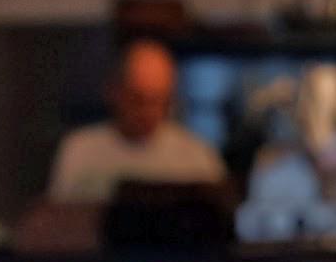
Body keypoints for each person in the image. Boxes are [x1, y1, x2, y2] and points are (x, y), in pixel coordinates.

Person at [48, 40, 225, 204]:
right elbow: (58, 218)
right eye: (138, 100)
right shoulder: (79, 150)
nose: (148, 112)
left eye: (158, 101)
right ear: (114, 92)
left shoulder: (197, 157)